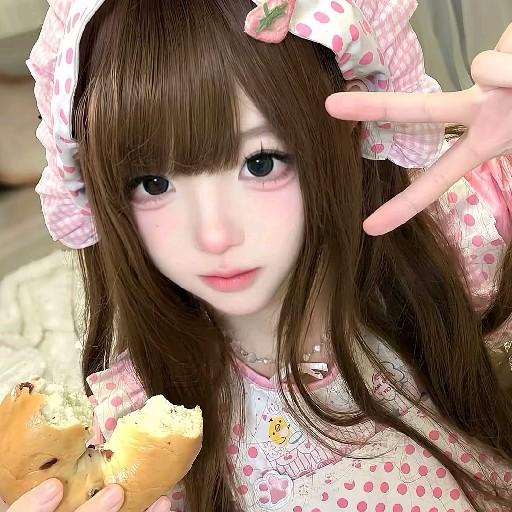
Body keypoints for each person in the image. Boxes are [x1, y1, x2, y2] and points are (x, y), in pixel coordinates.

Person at [6, 0, 512, 510]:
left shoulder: (446, 238)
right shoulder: (144, 428)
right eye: (153, 183)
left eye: (261, 163)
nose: (214, 235)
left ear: (349, 128)